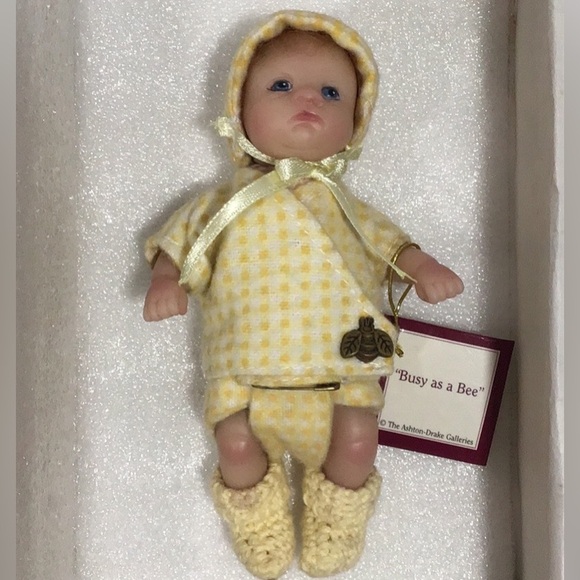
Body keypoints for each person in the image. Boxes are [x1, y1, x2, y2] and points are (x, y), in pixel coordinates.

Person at [143, 10, 463, 579]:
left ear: (355, 125)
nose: (308, 98)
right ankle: (257, 520)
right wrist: (167, 278)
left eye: (332, 92)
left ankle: (337, 522)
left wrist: (423, 267)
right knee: (235, 444)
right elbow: (183, 241)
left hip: (340, 368)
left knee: (359, 438)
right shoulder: (225, 203)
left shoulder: (344, 204)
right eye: (282, 85)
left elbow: (389, 244)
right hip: (245, 373)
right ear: (239, 109)